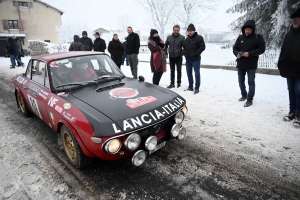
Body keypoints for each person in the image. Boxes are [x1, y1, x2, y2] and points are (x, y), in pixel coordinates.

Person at [233, 20, 266, 107]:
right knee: (240, 81)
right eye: (246, 29)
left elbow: (262, 49)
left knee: (251, 82)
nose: (247, 31)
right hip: (241, 63)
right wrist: (237, 54)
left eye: (249, 29)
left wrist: (250, 53)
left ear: (252, 30)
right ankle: (244, 95)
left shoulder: (258, 37)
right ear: (244, 30)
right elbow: (235, 48)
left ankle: (250, 99)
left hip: (251, 64)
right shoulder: (240, 38)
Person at [278, 8, 300, 126]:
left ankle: (299, 115)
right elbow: (283, 50)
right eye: (293, 19)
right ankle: (292, 112)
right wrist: (281, 63)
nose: (294, 21)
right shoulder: (289, 34)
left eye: (297, 19)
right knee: (291, 91)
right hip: (289, 68)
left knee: (299, 91)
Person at [182, 24, 205, 94]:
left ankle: (197, 88)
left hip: (196, 60)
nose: (189, 32)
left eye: (191, 30)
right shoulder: (187, 39)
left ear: (194, 31)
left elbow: (202, 47)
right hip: (188, 60)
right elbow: (185, 48)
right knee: (189, 74)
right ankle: (190, 86)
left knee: (197, 74)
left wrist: (196, 54)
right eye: (188, 31)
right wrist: (182, 53)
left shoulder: (199, 38)